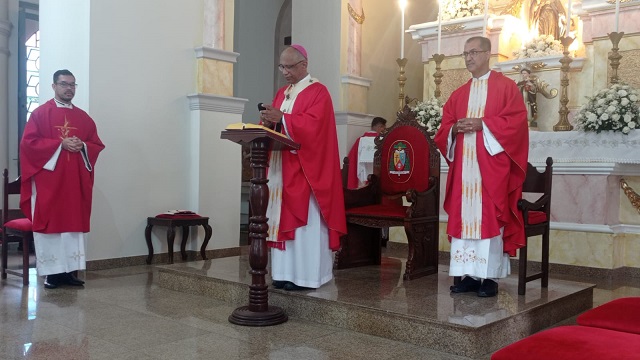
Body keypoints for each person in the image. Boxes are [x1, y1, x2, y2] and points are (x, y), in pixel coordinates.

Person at [433, 37, 529, 298]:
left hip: (491, 170)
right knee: (466, 221)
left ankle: (489, 278)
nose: (468, 58)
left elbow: (517, 124)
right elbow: (443, 130)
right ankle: (468, 275)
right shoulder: (458, 94)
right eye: (465, 53)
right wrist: (454, 129)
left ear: (488, 54)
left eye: (473, 52)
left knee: (488, 219)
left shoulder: (507, 88)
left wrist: (483, 125)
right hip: (465, 170)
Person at [260, 45, 346, 291]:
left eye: (289, 67)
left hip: (305, 171)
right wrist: (267, 121)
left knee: (305, 225)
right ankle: (283, 274)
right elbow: (276, 127)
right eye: (281, 67)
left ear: (304, 65)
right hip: (280, 170)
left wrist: (283, 119)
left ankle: (307, 277)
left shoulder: (318, 92)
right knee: (278, 218)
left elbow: (316, 128)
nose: (284, 72)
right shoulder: (282, 93)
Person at [20, 69, 105, 289]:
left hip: (73, 183)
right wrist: (60, 144)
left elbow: (96, 144)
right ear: (54, 86)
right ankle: (51, 274)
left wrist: (83, 146)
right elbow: (28, 144)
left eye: (72, 85)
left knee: (71, 227)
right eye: (64, 84)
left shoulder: (83, 118)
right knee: (51, 226)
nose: (69, 88)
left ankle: (69, 272)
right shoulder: (40, 114)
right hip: (49, 183)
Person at [346, 116, 387, 189]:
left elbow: (352, 158)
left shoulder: (360, 140)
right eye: (383, 128)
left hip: (362, 182)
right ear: (379, 127)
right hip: (378, 177)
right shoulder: (382, 140)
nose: (384, 130)